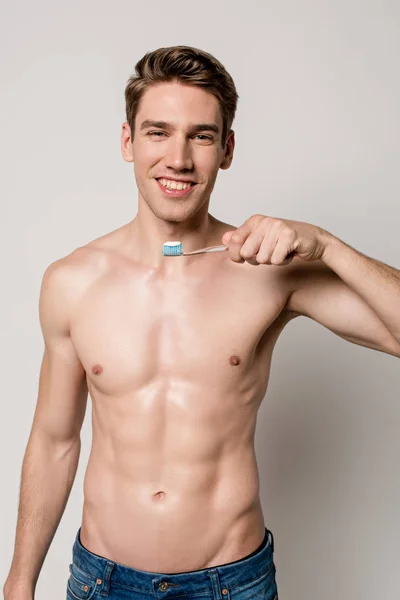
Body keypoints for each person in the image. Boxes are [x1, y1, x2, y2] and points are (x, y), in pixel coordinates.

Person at [3, 45, 400, 600]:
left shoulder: (271, 272)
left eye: (202, 136)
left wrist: (329, 246)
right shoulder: (72, 280)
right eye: (158, 132)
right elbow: (54, 439)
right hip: (104, 580)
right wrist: (19, 582)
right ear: (128, 142)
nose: (179, 158)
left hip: (231, 582)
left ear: (227, 149)